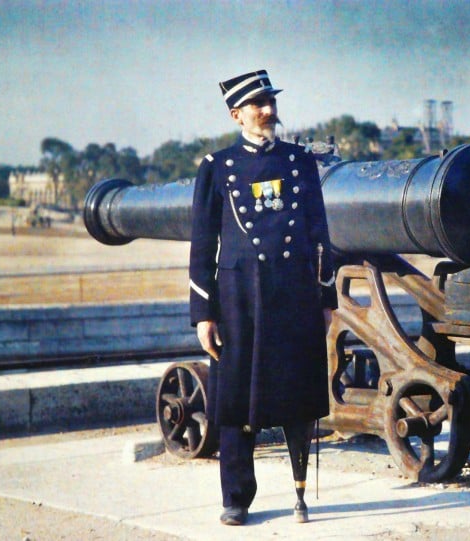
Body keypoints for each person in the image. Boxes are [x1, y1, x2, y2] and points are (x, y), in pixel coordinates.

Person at [188, 69, 337, 526]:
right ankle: (236, 497)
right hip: (238, 298)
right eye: (258, 104)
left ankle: (298, 489)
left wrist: (326, 295)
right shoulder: (216, 166)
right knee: (235, 399)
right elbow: (202, 244)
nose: (269, 110)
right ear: (237, 115)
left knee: (297, 393)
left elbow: (319, 234)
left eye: (270, 100)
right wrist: (202, 313)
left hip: (293, 294)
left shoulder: (300, 162)